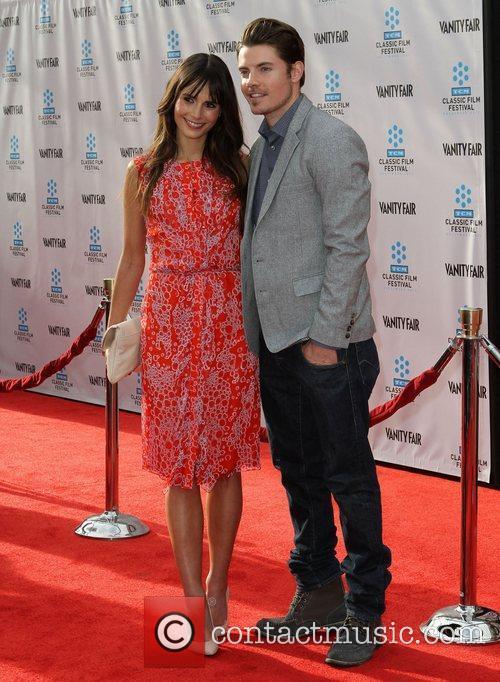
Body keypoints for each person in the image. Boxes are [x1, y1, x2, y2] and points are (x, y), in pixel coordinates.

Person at [237, 18, 392, 667]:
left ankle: (364, 611)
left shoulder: (330, 139)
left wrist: (326, 339)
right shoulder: (261, 146)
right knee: (299, 476)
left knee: (347, 478)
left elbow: (347, 246)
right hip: (276, 343)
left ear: (297, 70)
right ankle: (318, 592)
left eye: (264, 69)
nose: (251, 83)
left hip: (330, 345)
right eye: (245, 71)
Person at [106, 53, 261, 655]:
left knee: (222, 461)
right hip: (168, 321)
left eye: (211, 101)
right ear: (171, 100)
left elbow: (257, 255)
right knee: (178, 466)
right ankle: (190, 595)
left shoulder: (239, 169)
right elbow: (131, 258)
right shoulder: (142, 171)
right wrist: (117, 327)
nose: (198, 112)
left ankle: (220, 586)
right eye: (189, 99)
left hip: (226, 321)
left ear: (223, 110)